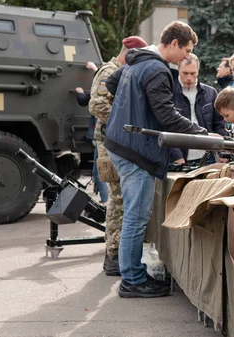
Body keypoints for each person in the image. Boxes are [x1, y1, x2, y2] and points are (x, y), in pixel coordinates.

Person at [104, 21, 206, 298]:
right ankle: (133, 280)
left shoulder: (138, 60)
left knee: (133, 216)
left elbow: (111, 83)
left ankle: (131, 272)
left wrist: (132, 108)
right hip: (134, 149)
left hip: (120, 143)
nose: (186, 56)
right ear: (173, 43)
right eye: (185, 50)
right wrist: (200, 132)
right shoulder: (157, 68)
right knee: (136, 217)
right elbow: (166, 115)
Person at [89, 35, 148, 277]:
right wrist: (126, 120)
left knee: (121, 198)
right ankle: (113, 254)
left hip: (117, 142)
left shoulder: (121, 71)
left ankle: (114, 254)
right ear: (129, 53)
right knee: (119, 198)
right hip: (110, 143)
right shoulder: (110, 70)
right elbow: (97, 105)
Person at [169, 54, 226, 166]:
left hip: (208, 156)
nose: (189, 78)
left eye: (193, 73)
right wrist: (176, 155)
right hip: (180, 158)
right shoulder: (170, 93)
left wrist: (223, 151)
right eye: (185, 73)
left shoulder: (211, 93)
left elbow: (219, 125)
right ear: (178, 70)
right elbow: (166, 126)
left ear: (198, 71)